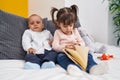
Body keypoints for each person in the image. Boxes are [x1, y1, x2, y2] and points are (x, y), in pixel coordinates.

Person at [51, 5, 108, 76]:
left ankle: (93, 67)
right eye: (65, 26)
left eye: (70, 25)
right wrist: (65, 47)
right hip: (65, 53)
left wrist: (79, 45)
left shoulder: (75, 31)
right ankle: (74, 68)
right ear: (58, 23)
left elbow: (82, 42)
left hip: (77, 51)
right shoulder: (57, 32)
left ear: (74, 23)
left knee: (88, 55)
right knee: (59, 58)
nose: (68, 28)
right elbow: (54, 46)